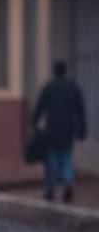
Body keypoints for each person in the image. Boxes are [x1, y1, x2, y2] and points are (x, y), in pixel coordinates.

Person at [32, 59, 87, 203]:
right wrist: (82, 129)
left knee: (52, 161)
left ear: (54, 72)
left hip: (52, 130)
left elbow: (40, 108)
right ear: (65, 71)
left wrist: (34, 123)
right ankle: (68, 183)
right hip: (68, 130)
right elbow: (80, 110)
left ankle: (50, 191)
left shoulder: (49, 88)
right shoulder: (73, 88)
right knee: (66, 159)